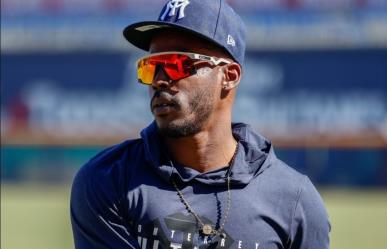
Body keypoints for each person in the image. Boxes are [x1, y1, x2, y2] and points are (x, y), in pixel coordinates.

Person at [70, 0, 331, 248]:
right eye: (150, 67)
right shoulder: (109, 180)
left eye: (177, 65)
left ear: (229, 76)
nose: (159, 81)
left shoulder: (294, 199)